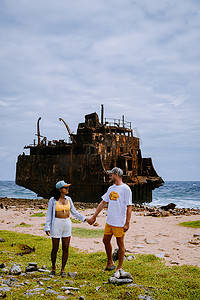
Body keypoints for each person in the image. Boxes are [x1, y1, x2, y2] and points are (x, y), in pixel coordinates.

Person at [88, 167, 132, 277]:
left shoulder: (126, 189)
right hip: (110, 222)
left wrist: (127, 222)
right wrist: (94, 216)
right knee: (105, 240)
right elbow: (103, 203)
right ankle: (110, 262)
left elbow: (129, 207)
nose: (109, 176)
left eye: (111, 174)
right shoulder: (111, 188)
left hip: (119, 222)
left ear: (116, 175)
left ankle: (119, 267)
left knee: (120, 243)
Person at [44, 180, 89, 278]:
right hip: (56, 223)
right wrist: (47, 227)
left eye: (68, 187)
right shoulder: (52, 200)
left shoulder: (69, 199)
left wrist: (84, 219)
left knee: (66, 247)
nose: (68, 189)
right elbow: (49, 214)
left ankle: (63, 269)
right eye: (66, 188)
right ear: (60, 189)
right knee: (55, 248)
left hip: (67, 224)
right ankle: (53, 268)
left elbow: (74, 212)